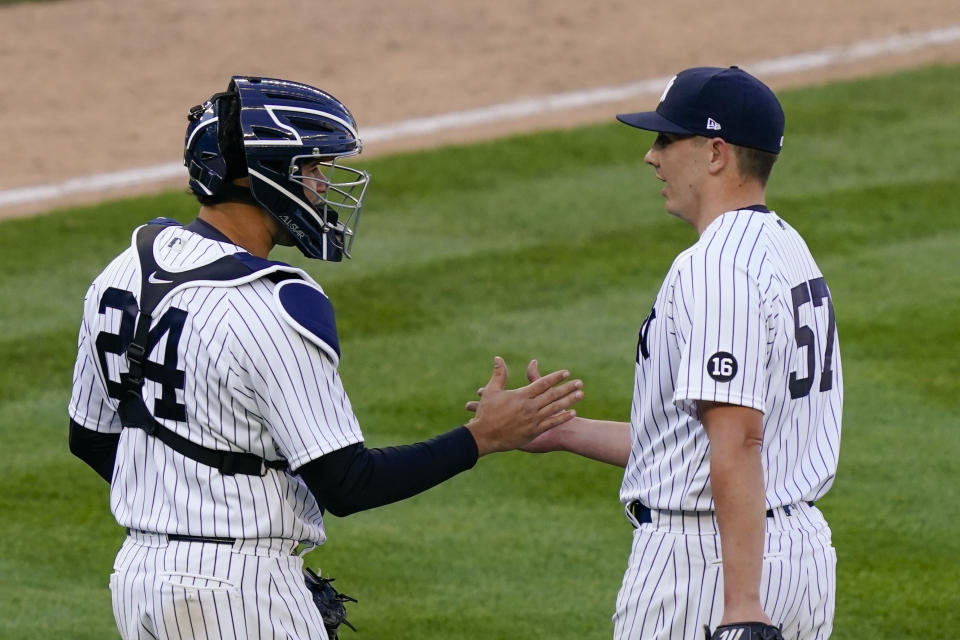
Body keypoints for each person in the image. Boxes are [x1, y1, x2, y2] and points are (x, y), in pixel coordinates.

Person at [68, 75, 583, 640]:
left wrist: (187, 510)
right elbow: (348, 484)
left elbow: (90, 436)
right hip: (239, 591)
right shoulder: (275, 304)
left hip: (139, 577)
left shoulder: (125, 269)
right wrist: (481, 437)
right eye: (310, 170)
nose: (320, 186)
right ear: (260, 177)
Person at [483, 67, 842, 639]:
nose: (652, 157)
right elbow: (700, 445)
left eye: (667, 139)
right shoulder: (786, 246)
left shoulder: (717, 266)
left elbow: (738, 437)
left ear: (716, 152)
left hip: (709, 567)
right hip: (795, 555)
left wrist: (743, 605)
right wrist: (564, 432)